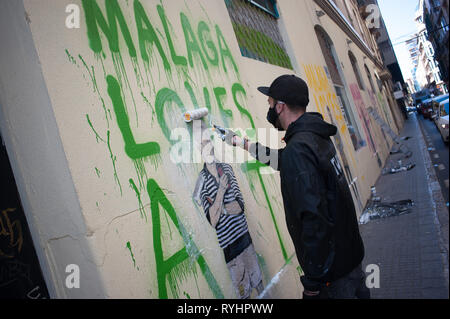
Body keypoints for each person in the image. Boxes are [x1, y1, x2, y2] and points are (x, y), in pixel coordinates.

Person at [228, 74, 370, 299]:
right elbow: (284, 160)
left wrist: (312, 282)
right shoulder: (315, 137)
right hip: (350, 261)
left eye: (271, 104)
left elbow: (313, 219)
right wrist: (244, 144)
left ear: (281, 107)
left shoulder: (299, 149)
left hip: (332, 277)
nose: (270, 109)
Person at [193, 135, 264, 299]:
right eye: (203, 146)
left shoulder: (226, 168)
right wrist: (221, 191)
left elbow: (239, 206)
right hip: (230, 249)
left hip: (245, 239)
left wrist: (219, 208)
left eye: (209, 145)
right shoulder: (201, 182)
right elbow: (212, 220)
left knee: (259, 283)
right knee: (243, 294)